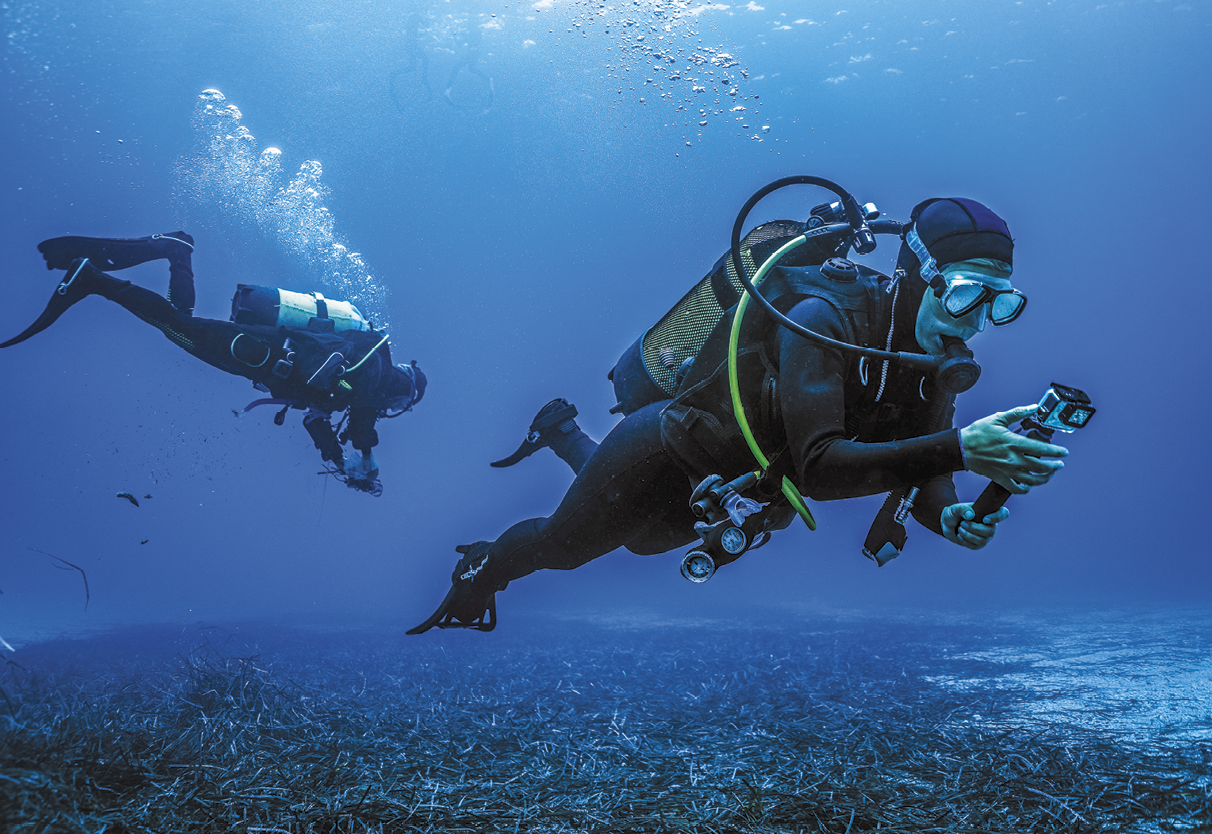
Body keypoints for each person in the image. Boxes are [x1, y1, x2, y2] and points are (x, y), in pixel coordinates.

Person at [408, 195, 1068, 633]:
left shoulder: (928, 362)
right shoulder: (822, 318)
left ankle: (563, 433)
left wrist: (947, 513)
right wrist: (961, 449)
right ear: (922, 276)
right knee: (564, 548)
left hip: (742, 493)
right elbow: (822, 467)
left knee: (640, 542)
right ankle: (480, 570)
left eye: (999, 305)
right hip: (670, 448)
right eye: (966, 295)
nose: (977, 323)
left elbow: (925, 473)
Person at [2, 232, 426, 494]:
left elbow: (315, 420)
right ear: (401, 389)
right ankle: (98, 278)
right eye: (399, 404)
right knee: (176, 326)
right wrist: (367, 462)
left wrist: (339, 462)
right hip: (262, 351)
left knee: (178, 325)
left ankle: (174, 252)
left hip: (259, 359)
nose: (389, 410)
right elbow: (366, 423)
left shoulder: (353, 390)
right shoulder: (374, 369)